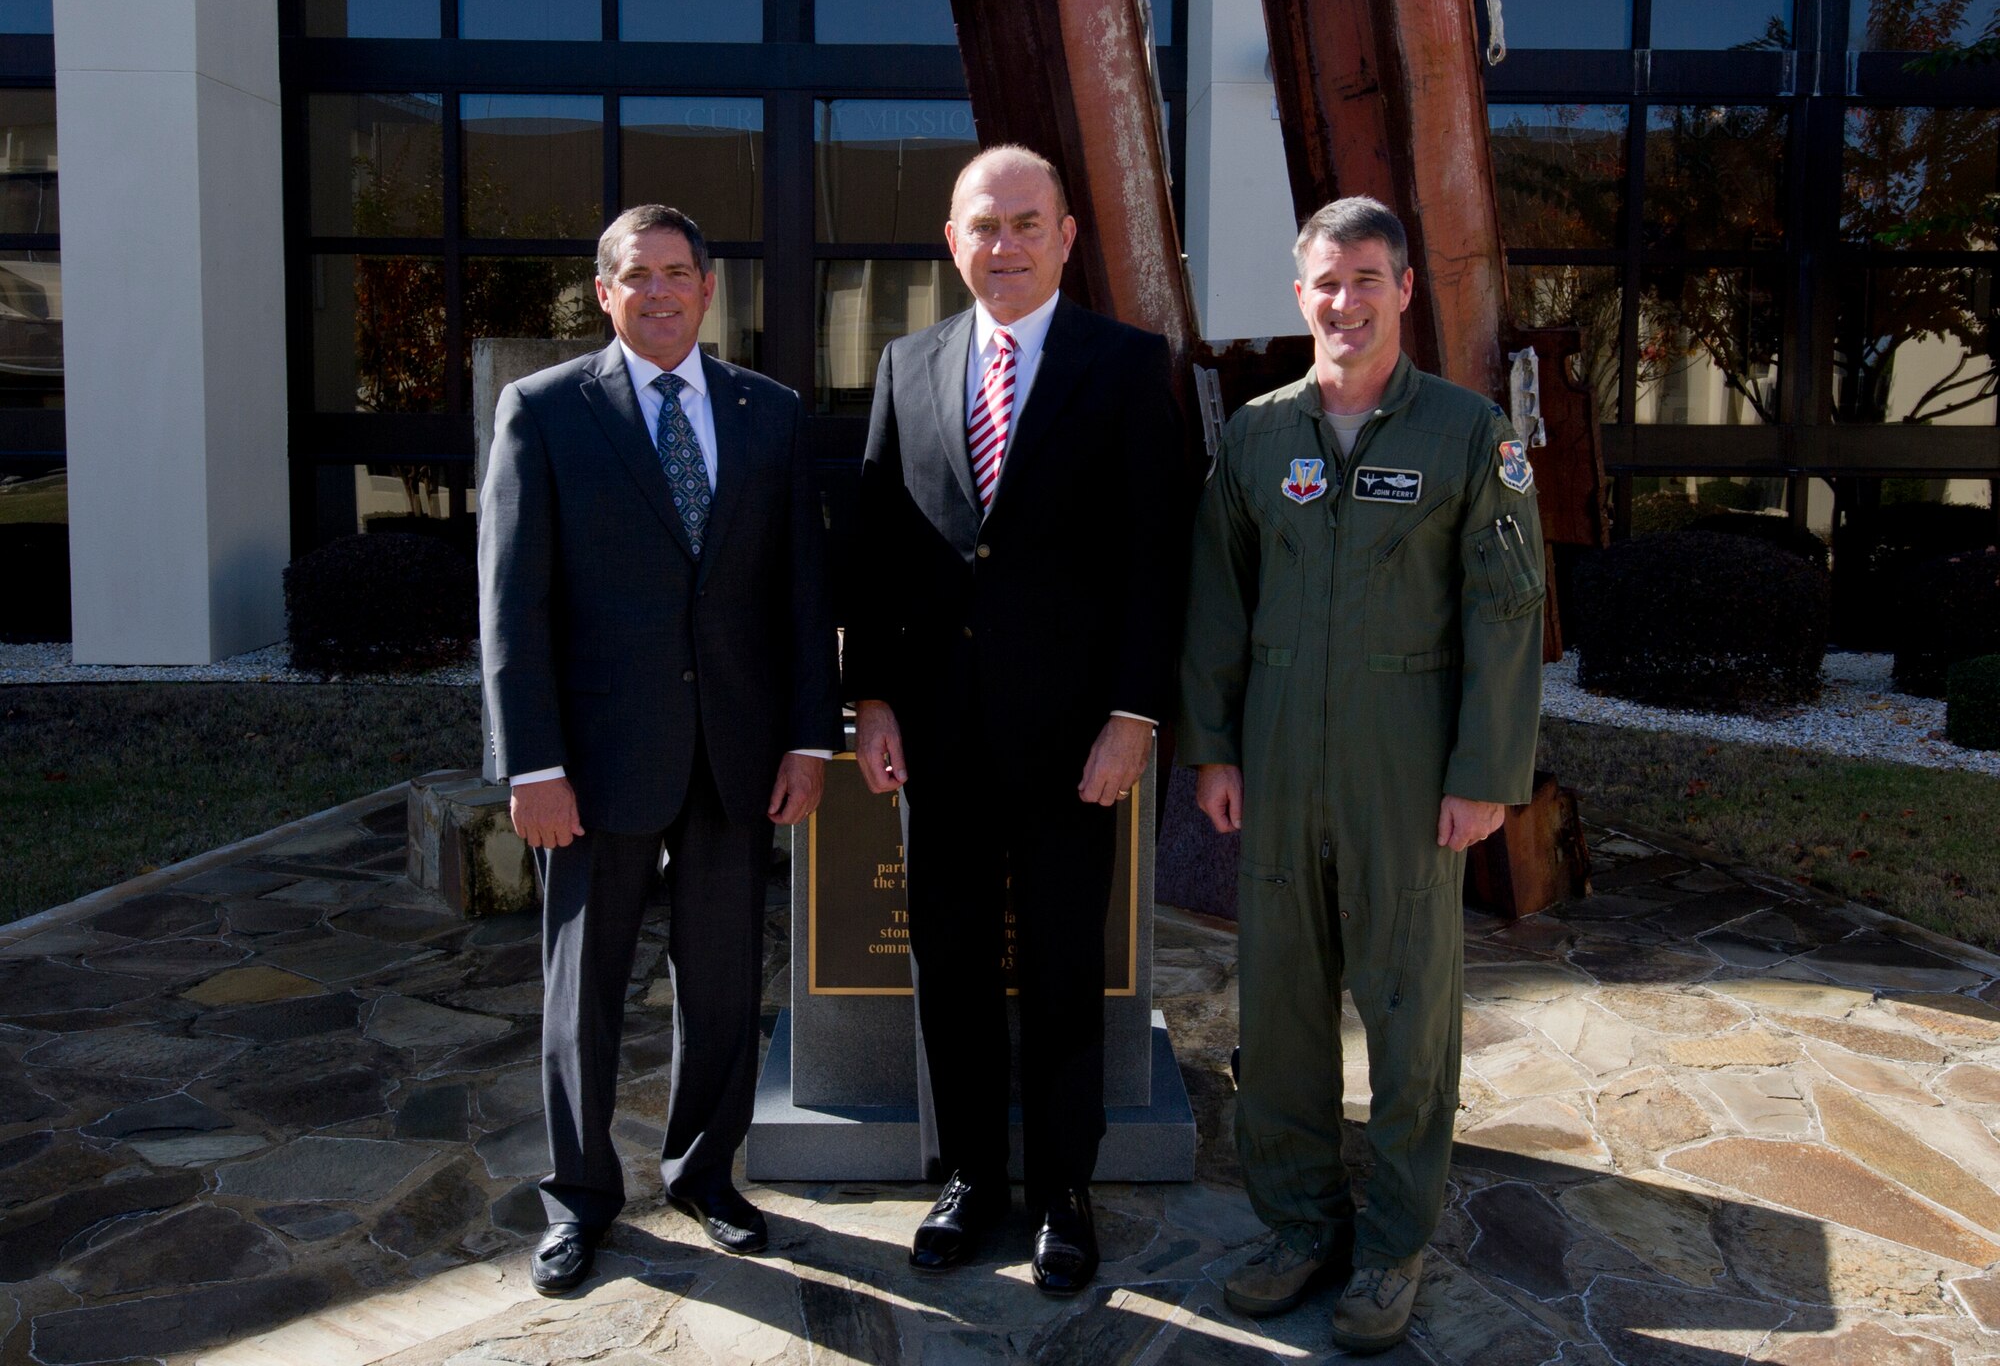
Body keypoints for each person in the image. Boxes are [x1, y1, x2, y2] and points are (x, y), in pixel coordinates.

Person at [1177, 196, 1543, 1355]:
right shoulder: (1255, 433)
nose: (1345, 302)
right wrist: (1214, 746)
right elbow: (1215, 602)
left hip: (1404, 759)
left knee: (1406, 1011)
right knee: (1279, 1011)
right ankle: (1296, 1226)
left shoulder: (1466, 433)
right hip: (1280, 757)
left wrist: (1483, 771)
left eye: (1367, 279)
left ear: (1403, 290)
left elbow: (1505, 610)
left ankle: (1390, 1245)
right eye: (1325, 283)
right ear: (1300, 296)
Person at [479, 203, 841, 1297]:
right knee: (580, 989)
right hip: (591, 767)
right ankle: (579, 1197)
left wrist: (805, 740)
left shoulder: (768, 413)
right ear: (604, 292)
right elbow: (513, 602)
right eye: (638, 275)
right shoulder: (542, 412)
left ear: (708, 287)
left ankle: (704, 1174)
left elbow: (799, 591)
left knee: (723, 981)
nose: (662, 291)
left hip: (734, 757)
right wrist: (530, 764)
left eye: (681, 272)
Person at [844, 144, 1187, 1294]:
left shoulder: (1131, 368)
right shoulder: (906, 363)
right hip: (937, 737)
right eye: (982, 225)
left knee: (1056, 965)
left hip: (1069, 741)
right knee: (946, 961)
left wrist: (1135, 714)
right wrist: (874, 696)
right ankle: (969, 1178)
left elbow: (1156, 558)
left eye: (1025, 223)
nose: (1003, 245)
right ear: (952, 239)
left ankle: (1061, 1190)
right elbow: (880, 550)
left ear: (1066, 235)